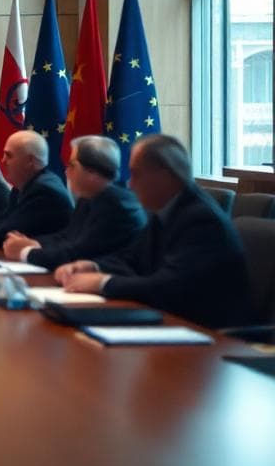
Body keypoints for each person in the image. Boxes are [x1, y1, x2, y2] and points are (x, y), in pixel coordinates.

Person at [54, 134, 251, 329]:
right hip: (174, 322)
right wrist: (92, 267)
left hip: (209, 335)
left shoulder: (201, 219)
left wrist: (103, 283)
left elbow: (168, 287)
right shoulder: (168, 208)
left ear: (164, 175)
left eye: (136, 174)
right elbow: (132, 258)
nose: (130, 184)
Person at [2, 135, 146, 267]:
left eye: (72, 165)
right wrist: (35, 243)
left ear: (92, 172)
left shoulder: (116, 206)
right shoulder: (88, 198)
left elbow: (78, 253)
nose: (66, 172)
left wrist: (24, 252)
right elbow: (67, 236)